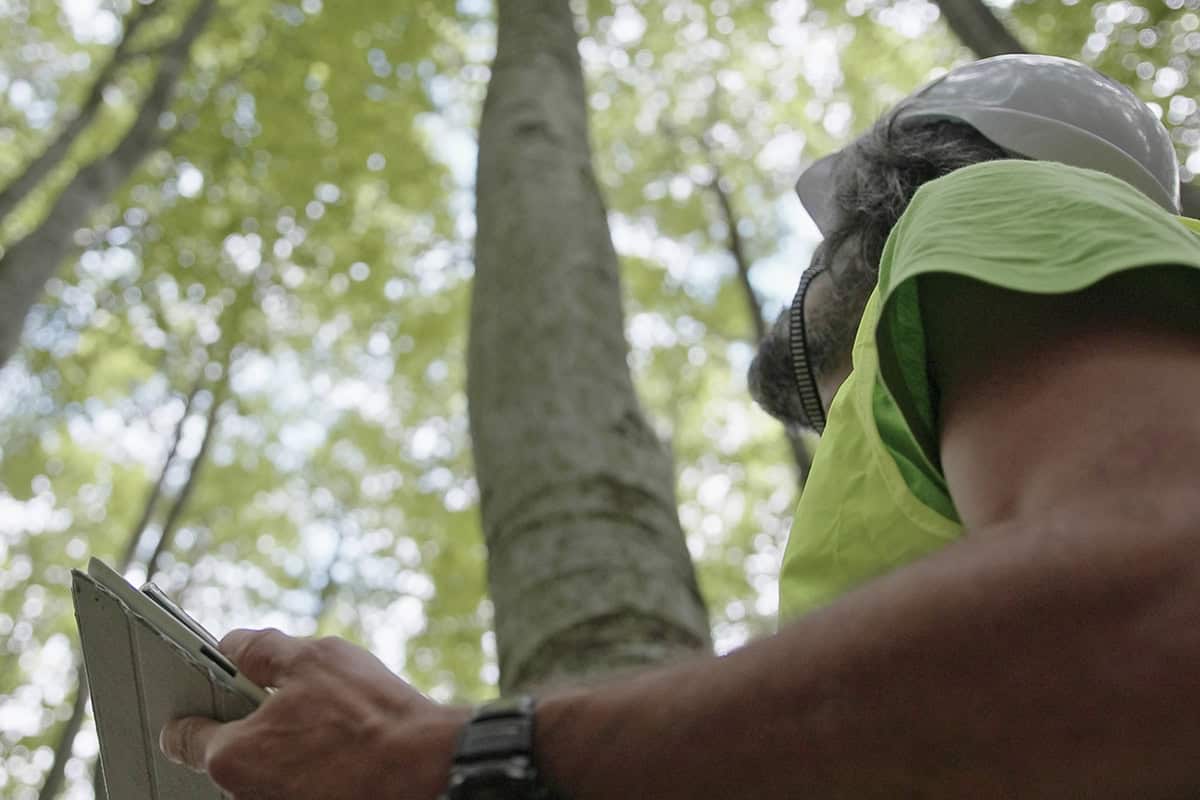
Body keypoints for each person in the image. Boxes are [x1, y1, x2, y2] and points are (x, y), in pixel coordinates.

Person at [160, 55, 1200, 798]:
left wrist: (466, 752)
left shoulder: (996, 198)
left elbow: (1162, 614)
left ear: (894, 188)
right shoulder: (926, 432)